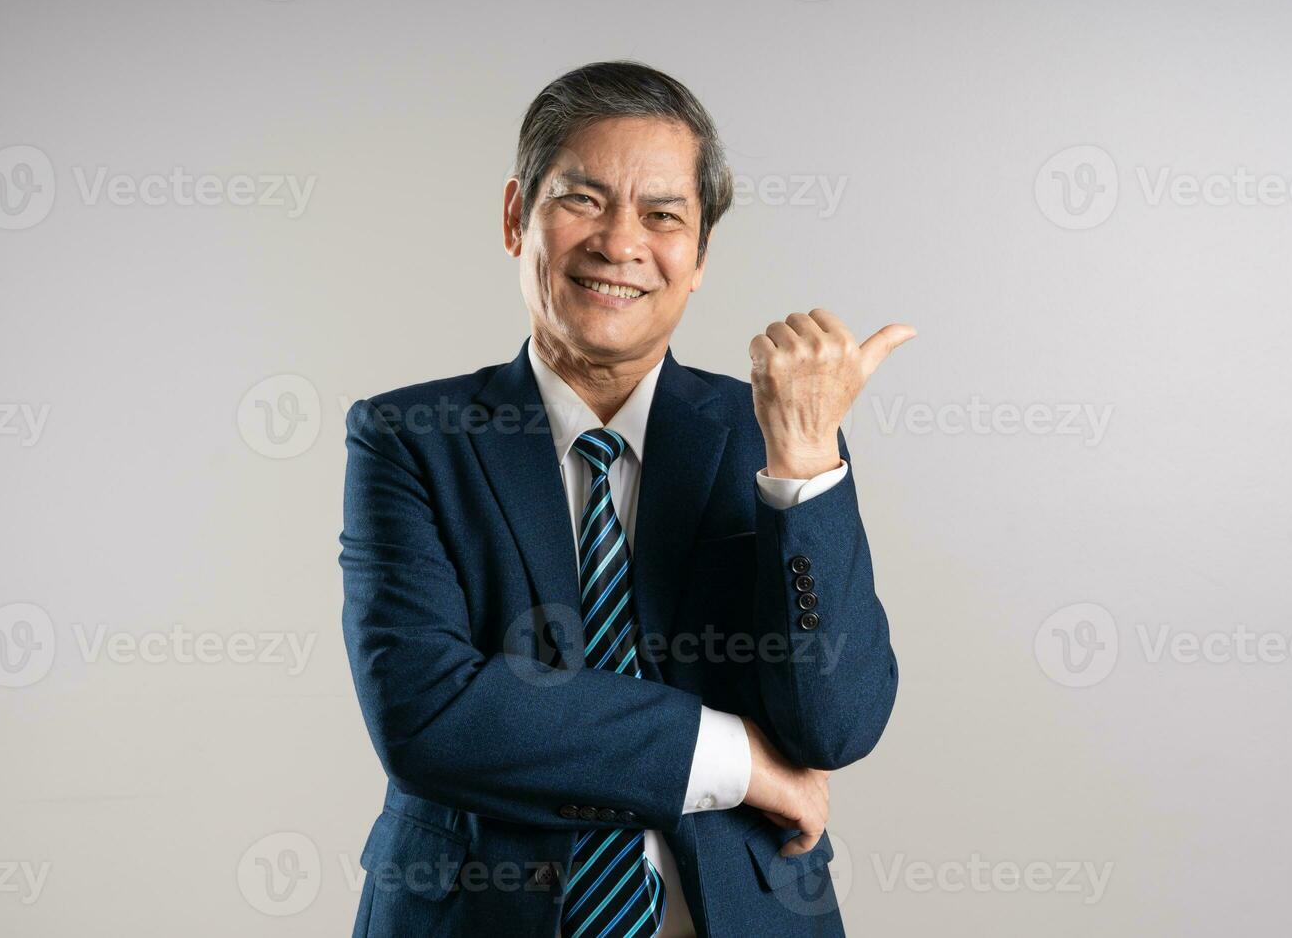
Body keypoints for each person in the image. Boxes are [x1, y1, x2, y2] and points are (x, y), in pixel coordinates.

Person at [340, 60, 911, 937]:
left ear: (699, 258)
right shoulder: (412, 436)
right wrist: (738, 760)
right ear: (513, 217)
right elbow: (433, 716)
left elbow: (835, 726)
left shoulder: (768, 430)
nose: (619, 243)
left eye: (663, 215)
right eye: (582, 200)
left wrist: (802, 464)